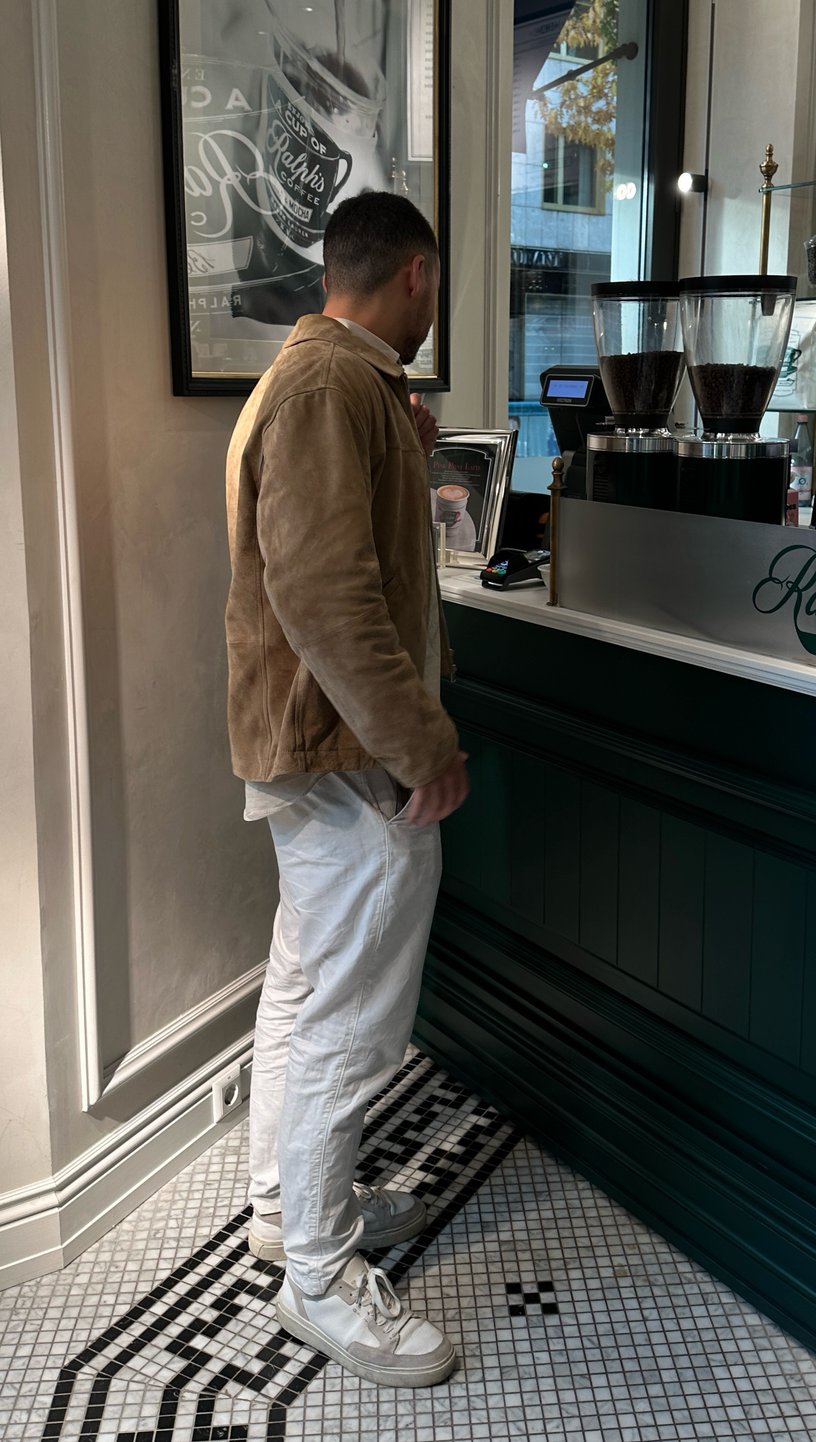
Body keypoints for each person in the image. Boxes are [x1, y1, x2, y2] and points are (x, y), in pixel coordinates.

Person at [224, 191, 469, 1388]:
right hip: (347, 756)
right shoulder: (332, 389)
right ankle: (317, 1282)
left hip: (309, 749)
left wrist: (404, 460)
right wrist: (424, 744)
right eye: (441, 283)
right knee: (343, 1025)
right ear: (415, 272)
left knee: (302, 990)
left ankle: (284, 1210)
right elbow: (323, 596)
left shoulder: (319, 380)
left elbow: (331, 557)